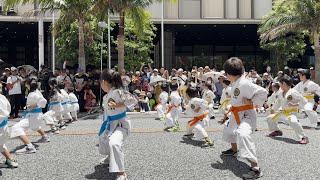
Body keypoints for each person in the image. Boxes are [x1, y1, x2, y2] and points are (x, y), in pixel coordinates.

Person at [221, 57, 268, 180]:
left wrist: (252, 100)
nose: (225, 76)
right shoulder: (236, 82)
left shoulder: (244, 83)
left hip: (246, 115)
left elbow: (263, 92)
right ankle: (234, 150)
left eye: (226, 73)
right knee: (228, 129)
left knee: (243, 134)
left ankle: (255, 168)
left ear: (230, 74)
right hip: (236, 113)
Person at [98, 69, 137, 180]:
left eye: (101, 83)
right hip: (110, 123)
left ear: (104, 82)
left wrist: (118, 105)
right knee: (103, 139)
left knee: (114, 143)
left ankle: (121, 172)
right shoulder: (107, 96)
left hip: (121, 124)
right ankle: (110, 157)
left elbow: (134, 100)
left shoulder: (117, 92)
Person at [11, 78, 50, 155]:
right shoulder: (36, 91)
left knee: (16, 128)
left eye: (26, 84)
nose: (25, 85)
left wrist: (32, 107)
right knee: (35, 126)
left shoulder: (32, 94)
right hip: (37, 115)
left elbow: (44, 101)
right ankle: (45, 137)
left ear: (28, 85)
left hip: (33, 115)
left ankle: (29, 147)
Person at [266, 75, 309, 144]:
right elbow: (277, 103)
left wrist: (294, 105)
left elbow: (304, 101)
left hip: (291, 113)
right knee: (269, 118)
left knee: (293, 122)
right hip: (282, 113)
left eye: (280, 83)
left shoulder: (293, 92)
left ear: (284, 84)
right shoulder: (280, 93)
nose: (279, 85)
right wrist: (273, 110)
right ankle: (277, 131)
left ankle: (303, 137)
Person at [0, 93, 18, 168]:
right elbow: (8, 109)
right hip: (4, 127)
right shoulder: (2, 97)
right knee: (1, 144)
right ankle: (10, 159)